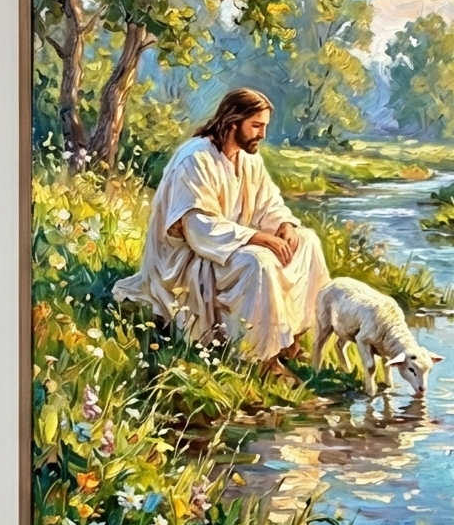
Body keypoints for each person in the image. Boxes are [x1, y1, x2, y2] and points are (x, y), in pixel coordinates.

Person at [112, 88, 330, 367]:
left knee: (307, 241)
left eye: (264, 126)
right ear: (233, 122)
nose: (262, 134)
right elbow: (196, 227)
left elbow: (268, 203)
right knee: (258, 262)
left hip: (227, 246)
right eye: (256, 126)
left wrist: (284, 224)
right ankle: (259, 358)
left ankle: (289, 340)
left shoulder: (249, 159)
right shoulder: (195, 158)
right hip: (190, 258)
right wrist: (257, 238)